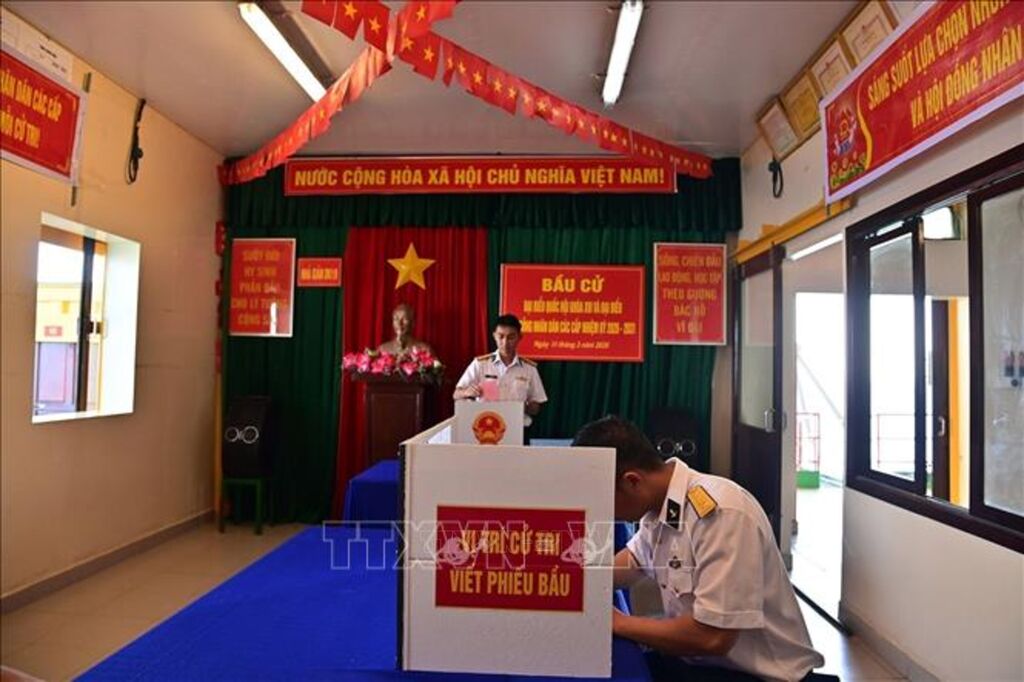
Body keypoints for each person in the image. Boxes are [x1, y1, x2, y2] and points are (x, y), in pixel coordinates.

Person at [572, 415, 826, 682]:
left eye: (603, 499)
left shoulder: (721, 514)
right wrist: (574, 581)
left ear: (632, 481)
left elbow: (712, 638)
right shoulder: (658, 508)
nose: (604, 512)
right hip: (697, 662)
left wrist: (617, 622)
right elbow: (634, 561)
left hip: (756, 675)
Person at [453, 314, 547, 426]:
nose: (505, 342)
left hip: (517, 426)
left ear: (519, 337)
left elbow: (536, 405)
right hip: (486, 425)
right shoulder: (480, 364)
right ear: (494, 336)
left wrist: (523, 406)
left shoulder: (529, 369)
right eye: (501, 336)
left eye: (511, 337)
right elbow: (456, 394)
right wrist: (466, 392)